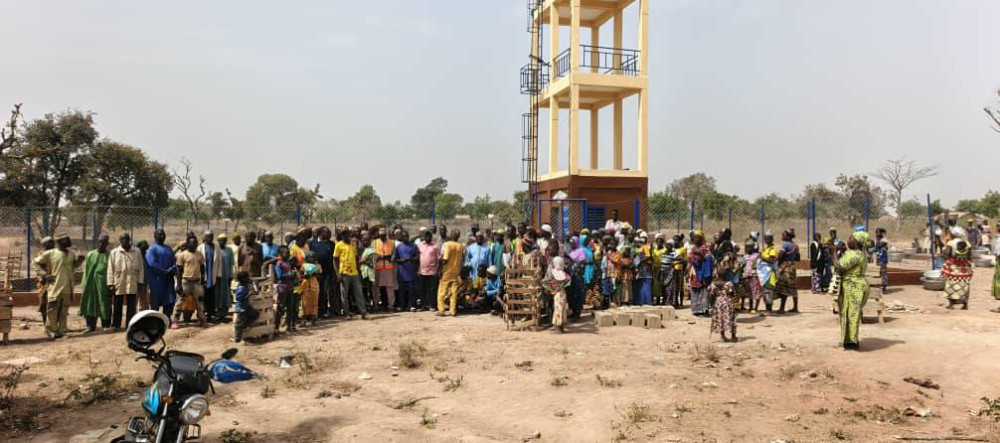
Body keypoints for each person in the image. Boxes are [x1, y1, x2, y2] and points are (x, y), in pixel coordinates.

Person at [32, 234, 82, 339]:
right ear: (59, 242)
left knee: (64, 311)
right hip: (54, 287)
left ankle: (62, 331)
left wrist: (79, 262)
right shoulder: (50, 253)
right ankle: (51, 330)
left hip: (67, 287)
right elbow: (34, 263)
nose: (69, 241)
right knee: (52, 310)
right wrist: (45, 275)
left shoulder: (72, 253)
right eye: (66, 240)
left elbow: (72, 267)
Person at [837, 234, 869, 350]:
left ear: (857, 242)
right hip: (854, 286)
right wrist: (842, 251)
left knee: (851, 314)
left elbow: (839, 267)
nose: (848, 240)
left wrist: (833, 253)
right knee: (849, 314)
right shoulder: (857, 253)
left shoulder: (855, 254)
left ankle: (852, 342)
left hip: (854, 287)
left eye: (852, 239)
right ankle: (849, 340)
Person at [108, 233, 144, 331]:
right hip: (119, 282)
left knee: (131, 305)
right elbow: (110, 269)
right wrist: (110, 284)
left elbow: (141, 268)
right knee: (117, 304)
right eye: (122, 238)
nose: (125, 240)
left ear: (130, 240)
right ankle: (116, 324)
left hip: (132, 281)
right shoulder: (114, 252)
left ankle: (130, 324)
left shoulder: (137, 251)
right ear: (120, 240)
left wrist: (140, 282)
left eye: (126, 238)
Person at [80, 233, 112, 332]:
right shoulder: (91, 254)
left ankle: (105, 325)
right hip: (90, 283)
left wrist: (111, 285)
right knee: (90, 303)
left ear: (107, 244)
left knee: (104, 303)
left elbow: (111, 271)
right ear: (97, 242)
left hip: (103, 284)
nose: (102, 244)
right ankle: (90, 326)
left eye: (104, 242)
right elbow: (86, 270)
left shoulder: (109, 255)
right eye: (100, 242)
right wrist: (84, 284)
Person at [173, 236, 206, 329]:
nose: (194, 245)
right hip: (185, 282)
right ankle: (175, 321)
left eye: (195, 243)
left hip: (196, 282)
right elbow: (179, 270)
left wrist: (203, 279)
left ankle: (202, 320)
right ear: (188, 243)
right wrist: (178, 284)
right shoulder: (182, 255)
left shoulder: (199, 254)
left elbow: (202, 267)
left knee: (200, 302)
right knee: (180, 302)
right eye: (192, 243)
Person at [334, 231, 368, 320]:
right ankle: (347, 313)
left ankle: (363, 312)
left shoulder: (353, 244)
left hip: (355, 272)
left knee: (359, 293)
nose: (348, 236)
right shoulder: (338, 245)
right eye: (345, 235)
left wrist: (359, 270)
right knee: (344, 294)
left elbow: (356, 258)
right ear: (342, 236)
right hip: (344, 273)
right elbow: (335, 259)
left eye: (348, 235)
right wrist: (337, 273)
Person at [145, 229, 177, 318]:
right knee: (155, 302)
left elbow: (174, 262)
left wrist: (172, 269)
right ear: (155, 236)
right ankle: (155, 321)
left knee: (170, 300)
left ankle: (167, 319)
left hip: (168, 281)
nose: (162, 236)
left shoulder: (168, 248)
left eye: (163, 234)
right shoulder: (152, 249)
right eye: (160, 234)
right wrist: (164, 271)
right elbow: (151, 263)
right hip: (157, 281)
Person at [942, 231, 973, 310]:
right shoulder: (967, 243)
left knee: (951, 285)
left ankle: (951, 304)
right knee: (964, 285)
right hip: (965, 268)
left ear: (953, 234)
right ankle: (965, 304)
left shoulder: (950, 243)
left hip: (954, 267)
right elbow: (970, 256)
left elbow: (947, 254)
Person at [437, 231, 465, 317]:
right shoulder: (460, 246)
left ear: (451, 235)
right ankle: (452, 311)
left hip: (447, 271)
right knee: (454, 292)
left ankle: (441, 310)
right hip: (456, 271)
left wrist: (440, 269)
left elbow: (445, 258)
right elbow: (462, 258)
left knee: (442, 291)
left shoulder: (447, 244)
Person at [197, 231, 223, 323]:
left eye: (211, 236)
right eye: (208, 237)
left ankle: (210, 315)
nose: (210, 238)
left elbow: (219, 262)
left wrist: (219, 275)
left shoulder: (217, 248)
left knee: (211, 297)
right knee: (202, 296)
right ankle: (201, 316)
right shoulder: (200, 248)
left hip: (213, 276)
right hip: (203, 276)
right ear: (205, 237)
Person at [309, 227, 335, 318]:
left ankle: (324, 311)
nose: (328, 234)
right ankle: (316, 312)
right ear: (320, 233)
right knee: (316, 292)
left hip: (327, 272)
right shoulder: (312, 243)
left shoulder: (331, 244)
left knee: (324, 292)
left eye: (329, 232)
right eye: (326, 232)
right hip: (316, 272)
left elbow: (333, 258)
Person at [542, 256, 572, 333]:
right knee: (562, 310)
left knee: (558, 310)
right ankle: (561, 328)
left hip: (557, 294)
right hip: (563, 293)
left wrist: (552, 289)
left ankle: (558, 329)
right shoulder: (565, 274)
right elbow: (568, 282)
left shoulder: (553, 272)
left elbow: (545, 282)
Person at [273, 245, 299, 332]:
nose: (288, 255)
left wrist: (292, 274)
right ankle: (276, 327)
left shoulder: (288, 263)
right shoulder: (279, 264)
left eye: (289, 253)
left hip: (290, 287)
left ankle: (289, 326)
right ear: (281, 254)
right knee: (280, 307)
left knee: (290, 308)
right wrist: (291, 275)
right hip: (282, 288)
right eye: (287, 253)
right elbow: (280, 276)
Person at [687, 231, 713, 317]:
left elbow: (708, 259)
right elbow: (690, 260)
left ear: (701, 238)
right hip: (694, 272)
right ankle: (696, 310)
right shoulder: (693, 248)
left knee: (704, 290)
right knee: (695, 290)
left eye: (698, 237)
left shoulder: (705, 248)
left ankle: (704, 309)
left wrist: (707, 274)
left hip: (703, 272)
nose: (696, 239)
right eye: (694, 237)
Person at [775, 229, 800, 313]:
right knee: (793, 286)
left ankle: (782, 308)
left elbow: (780, 257)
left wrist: (777, 262)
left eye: (783, 234)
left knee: (783, 287)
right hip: (792, 267)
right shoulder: (795, 246)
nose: (782, 236)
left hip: (785, 267)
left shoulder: (785, 245)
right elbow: (798, 258)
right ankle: (795, 307)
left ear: (787, 236)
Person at [231, 271, 259, 343]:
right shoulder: (241, 288)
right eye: (246, 277)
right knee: (238, 324)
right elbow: (239, 298)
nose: (248, 278)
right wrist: (249, 294)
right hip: (241, 308)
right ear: (242, 279)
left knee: (255, 314)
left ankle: (245, 326)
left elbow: (255, 290)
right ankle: (237, 338)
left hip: (245, 307)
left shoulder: (244, 285)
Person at [373, 227, 397, 311]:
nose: (382, 236)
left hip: (388, 267)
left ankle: (391, 305)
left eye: (384, 235)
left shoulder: (392, 242)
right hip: (378, 267)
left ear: (386, 234)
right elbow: (373, 254)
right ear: (379, 235)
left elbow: (394, 254)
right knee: (376, 287)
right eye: (381, 235)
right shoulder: (374, 243)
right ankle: (375, 304)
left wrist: (391, 257)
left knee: (390, 287)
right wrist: (378, 256)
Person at [395, 231, 419, 312]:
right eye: (404, 236)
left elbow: (417, 257)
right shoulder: (398, 247)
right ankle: (402, 306)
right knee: (401, 291)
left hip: (411, 272)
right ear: (401, 237)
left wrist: (409, 259)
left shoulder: (413, 246)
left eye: (406, 236)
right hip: (401, 272)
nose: (405, 238)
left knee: (411, 291)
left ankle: (411, 305)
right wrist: (400, 260)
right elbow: (395, 258)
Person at [417, 229, 441, 311]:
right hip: (422, 271)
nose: (427, 237)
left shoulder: (435, 246)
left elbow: (438, 259)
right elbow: (417, 257)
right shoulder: (420, 245)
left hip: (432, 271)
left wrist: (437, 271)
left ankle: (432, 305)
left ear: (431, 237)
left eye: (429, 236)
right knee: (422, 289)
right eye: (426, 236)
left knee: (432, 290)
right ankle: (423, 305)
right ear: (424, 237)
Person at [35, 236, 55, 324]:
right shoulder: (41, 255)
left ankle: (55, 324)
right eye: (49, 243)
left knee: (55, 303)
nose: (51, 244)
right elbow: (37, 267)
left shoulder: (57, 253)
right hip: (44, 282)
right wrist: (43, 276)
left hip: (55, 281)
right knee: (43, 303)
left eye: (52, 242)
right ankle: (45, 323)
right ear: (44, 244)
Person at [215, 233, 235, 323]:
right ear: (218, 241)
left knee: (226, 293)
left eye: (224, 240)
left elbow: (232, 264)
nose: (222, 242)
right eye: (220, 240)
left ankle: (224, 312)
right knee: (217, 294)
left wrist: (231, 275)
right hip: (217, 277)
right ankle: (217, 312)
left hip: (226, 276)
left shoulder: (229, 250)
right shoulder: (215, 250)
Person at [300, 252, 321, 326]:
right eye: (309, 257)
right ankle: (303, 320)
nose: (311, 258)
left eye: (312, 257)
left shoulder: (318, 266)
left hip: (314, 284)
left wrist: (315, 274)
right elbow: (301, 275)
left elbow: (320, 276)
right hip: (305, 285)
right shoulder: (303, 265)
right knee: (304, 303)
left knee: (314, 302)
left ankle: (313, 319)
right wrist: (305, 276)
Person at [742, 239, 763, 313]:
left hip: (754, 275)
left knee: (756, 291)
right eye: (747, 247)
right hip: (746, 276)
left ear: (753, 247)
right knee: (749, 292)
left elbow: (759, 265)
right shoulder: (745, 256)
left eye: (749, 247)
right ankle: (751, 307)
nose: (748, 249)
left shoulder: (756, 255)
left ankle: (756, 307)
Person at [758, 233, 778, 313]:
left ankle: (769, 309)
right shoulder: (766, 249)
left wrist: (762, 257)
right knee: (765, 290)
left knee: (769, 290)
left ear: (770, 239)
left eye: (767, 239)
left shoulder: (772, 249)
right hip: (764, 273)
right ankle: (767, 308)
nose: (765, 240)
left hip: (770, 274)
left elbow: (771, 260)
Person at [633, 236, 653, 305]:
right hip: (639, 268)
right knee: (639, 283)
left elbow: (648, 256)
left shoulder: (645, 247)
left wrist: (640, 260)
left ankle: (646, 301)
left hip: (644, 267)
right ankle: (639, 300)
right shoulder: (636, 248)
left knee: (645, 283)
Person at [601, 237, 621, 308]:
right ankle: (608, 303)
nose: (612, 246)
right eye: (611, 244)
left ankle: (615, 302)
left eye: (614, 244)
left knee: (614, 286)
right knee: (608, 286)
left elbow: (615, 260)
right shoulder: (608, 252)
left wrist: (608, 256)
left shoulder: (617, 252)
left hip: (614, 271)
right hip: (608, 271)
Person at [135, 239, 151, 311]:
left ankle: (143, 310)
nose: (145, 251)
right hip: (137, 281)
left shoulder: (145, 257)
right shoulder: (137, 257)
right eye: (144, 249)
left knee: (144, 298)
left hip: (144, 281)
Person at [872, 228, 889, 293]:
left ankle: (884, 287)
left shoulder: (884, 240)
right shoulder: (878, 240)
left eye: (878, 232)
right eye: (876, 232)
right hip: (878, 259)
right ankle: (879, 287)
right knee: (878, 272)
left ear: (882, 233)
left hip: (883, 259)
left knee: (883, 273)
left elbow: (877, 247)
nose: (877, 234)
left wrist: (870, 250)